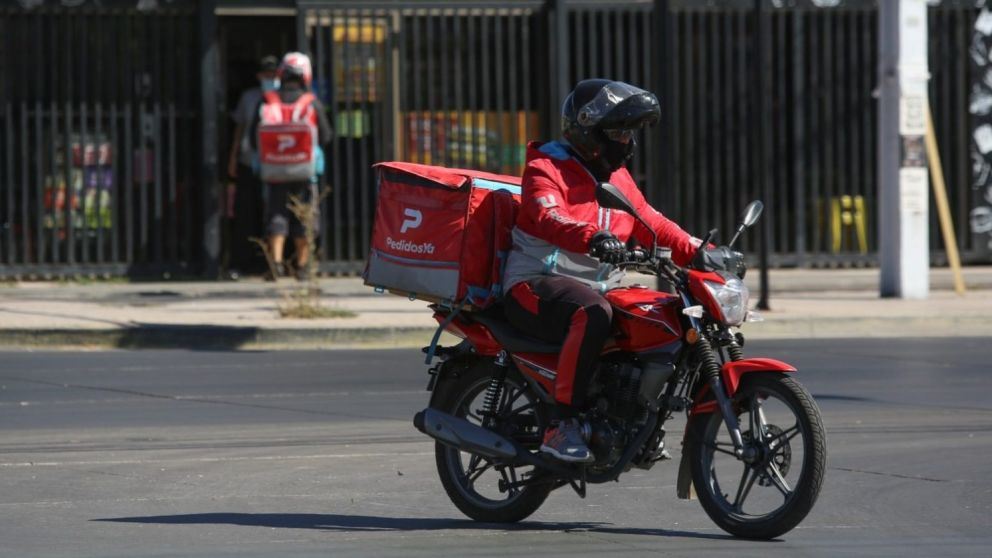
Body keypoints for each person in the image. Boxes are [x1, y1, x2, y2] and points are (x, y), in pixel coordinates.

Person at [501, 79, 704, 463]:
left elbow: (652, 222)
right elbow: (549, 217)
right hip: (532, 286)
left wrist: (702, 251)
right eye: (616, 132)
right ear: (586, 132)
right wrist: (594, 237)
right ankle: (560, 426)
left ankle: (634, 418)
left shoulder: (618, 178)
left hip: (595, 286)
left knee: (659, 314)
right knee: (592, 313)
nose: (625, 142)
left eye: (629, 133)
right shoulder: (546, 167)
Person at [249, 52, 333, 280]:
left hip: (273, 170)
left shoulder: (267, 101)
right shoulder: (311, 102)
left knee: (276, 214)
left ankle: (275, 264)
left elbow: (252, 136)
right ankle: (303, 267)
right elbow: (325, 136)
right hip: (305, 171)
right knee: (304, 216)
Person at [225, 55, 280, 280]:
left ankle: (272, 264)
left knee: (273, 214)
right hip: (249, 161)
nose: (270, 78)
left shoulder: (282, 98)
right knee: (246, 213)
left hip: (276, 165)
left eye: (273, 75)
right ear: (258, 76)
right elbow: (240, 128)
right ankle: (242, 263)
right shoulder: (249, 98)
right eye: (266, 75)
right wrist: (233, 156)